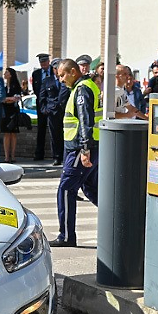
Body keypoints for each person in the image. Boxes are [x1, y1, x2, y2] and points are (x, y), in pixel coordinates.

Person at [51, 59, 100, 247]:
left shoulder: (81, 90)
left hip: (80, 149)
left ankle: (66, 236)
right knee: (91, 189)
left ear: (73, 71)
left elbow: (85, 119)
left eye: (62, 75)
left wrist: (85, 149)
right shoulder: (86, 87)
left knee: (65, 189)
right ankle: (121, 221)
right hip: (88, 147)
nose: (61, 80)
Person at [38, 58, 65, 165]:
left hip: (64, 112)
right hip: (52, 112)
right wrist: (45, 110)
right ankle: (57, 157)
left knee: (66, 135)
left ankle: (65, 156)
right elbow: (42, 97)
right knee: (55, 136)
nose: (57, 70)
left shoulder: (66, 80)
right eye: (55, 68)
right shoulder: (47, 81)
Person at [32, 53, 54, 161]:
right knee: (41, 130)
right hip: (41, 104)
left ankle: (56, 155)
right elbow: (36, 89)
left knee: (54, 129)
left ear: (48, 62)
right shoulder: (36, 74)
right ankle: (39, 153)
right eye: (41, 62)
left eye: (45, 62)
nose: (43, 64)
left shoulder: (53, 72)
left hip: (52, 104)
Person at [1, 67, 23, 163]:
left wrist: (8, 99)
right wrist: (9, 99)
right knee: (6, 133)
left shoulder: (15, 86)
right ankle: (6, 156)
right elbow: (1, 98)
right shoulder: (3, 86)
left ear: (10, 74)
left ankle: (13, 155)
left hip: (13, 111)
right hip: (5, 111)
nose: (5, 74)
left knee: (13, 133)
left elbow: (17, 98)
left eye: (6, 72)